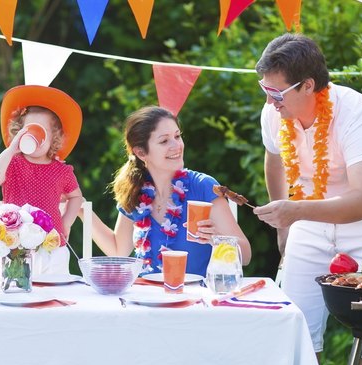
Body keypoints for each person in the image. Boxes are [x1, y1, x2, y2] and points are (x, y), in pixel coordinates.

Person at [253, 33, 362, 365]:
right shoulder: (275, 113)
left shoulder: (354, 113)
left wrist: (294, 211)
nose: (268, 101)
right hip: (308, 218)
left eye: (276, 93)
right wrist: (285, 223)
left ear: (308, 85)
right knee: (295, 327)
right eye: (264, 89)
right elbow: (274, 158)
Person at [87, 106, 251, 276]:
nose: (177, 145)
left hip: (196, 298)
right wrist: (82, 210)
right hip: (146, 296)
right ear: (141, 152)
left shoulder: (203, 186)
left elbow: (245, 255)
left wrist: (217, 240)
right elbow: (118, 250)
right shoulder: (135, 190)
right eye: (164, 141)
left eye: (177, 136)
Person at [0, 85, 84, 275]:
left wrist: (66, 223)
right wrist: (12, 148)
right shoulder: (12, 163)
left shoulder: (61, 170)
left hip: (52, 244)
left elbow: (76, 197)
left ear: (54, 137)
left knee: (55, 291)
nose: (36, 138)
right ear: (19, 133)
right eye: (29, 131)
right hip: (15, 245)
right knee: (16, 291)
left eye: (42, 132)